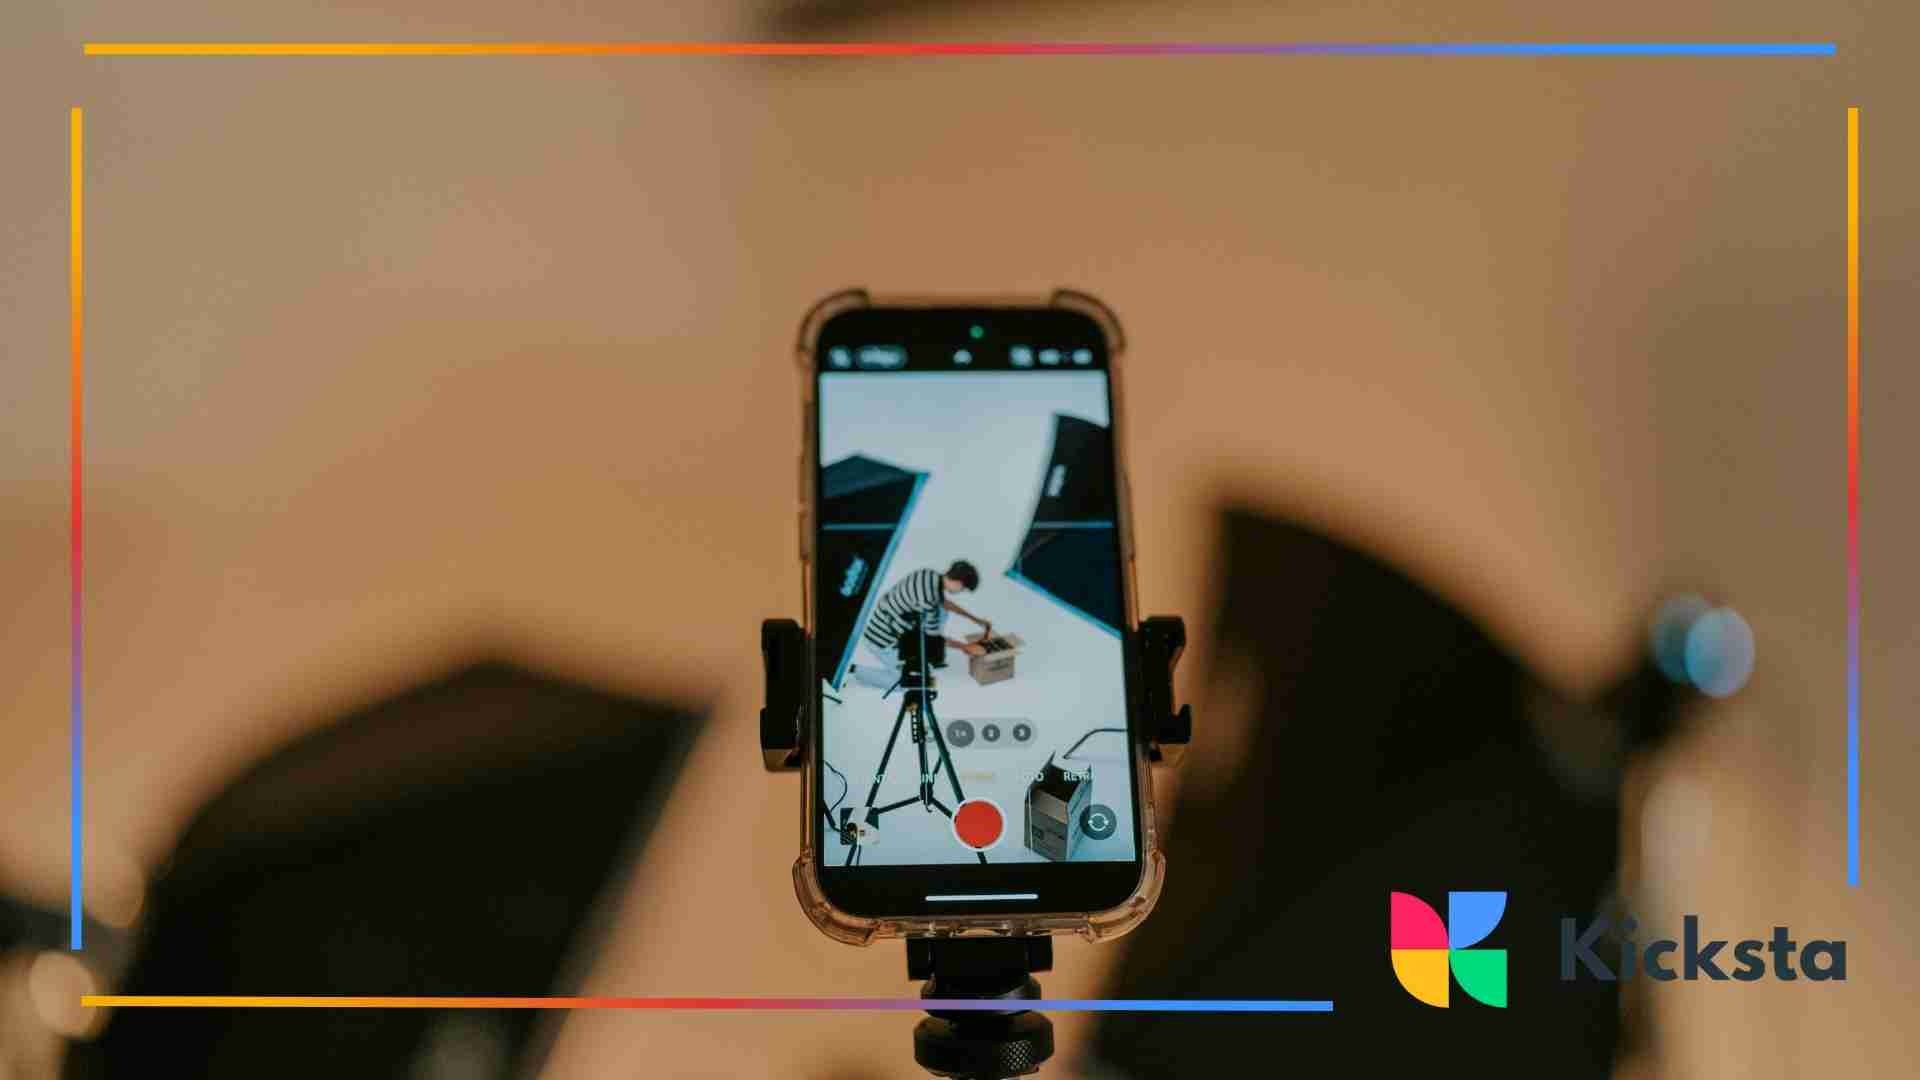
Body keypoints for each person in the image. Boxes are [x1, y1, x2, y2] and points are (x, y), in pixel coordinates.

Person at [848, 560, 993, 689]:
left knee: (942, 612)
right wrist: (965, 647)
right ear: (959, 583)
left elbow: (944, 603)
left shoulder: (928, 575)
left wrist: (975, 619)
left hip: (888, 620)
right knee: (907, 683)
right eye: (963, 589)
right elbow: (932, 638)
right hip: (882, 640)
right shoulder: (928, 602)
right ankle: (855, 671)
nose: (961, 591)